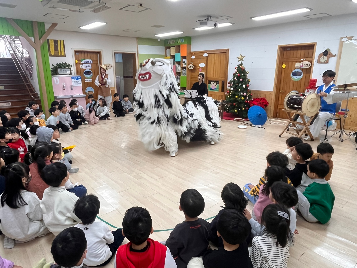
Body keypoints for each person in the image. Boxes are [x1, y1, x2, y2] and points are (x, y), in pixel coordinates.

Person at [0, 163, 49, 249]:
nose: (30, 175)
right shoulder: (29, 197)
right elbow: (38, 217)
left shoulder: (1, 197)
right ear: (23, 179)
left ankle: (11, 237)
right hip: (25, 233)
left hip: (6, 231)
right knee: (50, 222)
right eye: (28, 173)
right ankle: (21, 239)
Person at [74, 195, 124, 266]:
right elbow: (111, 240)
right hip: (103, 260)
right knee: (119, 232)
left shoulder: (75, 229)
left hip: (85, 261)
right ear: (97, 212)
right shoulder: (101, 225)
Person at [166, 189, 210, 268]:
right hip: (204, 258)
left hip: (184, 263)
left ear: (180, 208)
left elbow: (170, 249)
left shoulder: (178, 231)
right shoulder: (205, 225)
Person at [40, 162, 80, 235]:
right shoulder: (69, 197)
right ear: (65, 178)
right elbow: (80, 217)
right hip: (67, 231)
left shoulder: (46, 191)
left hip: (52, 228)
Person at [296, 159, 335, 224]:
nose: (307, 171)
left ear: (314, 174)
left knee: (296, 193)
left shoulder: (314, 186)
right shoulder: (327, 185)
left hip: (312, 215)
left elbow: (305, 198)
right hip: (324, 215)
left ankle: (291, 213)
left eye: (308, 170)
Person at [209, 182, 248, 247]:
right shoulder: (245, 213)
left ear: (225, 201)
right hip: (243, 242)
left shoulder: (222, 214)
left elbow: (212, 229)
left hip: (225, 243)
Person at [309, 70, 337, 139]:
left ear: (332, 78)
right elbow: (315, 97)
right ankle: (308, 132)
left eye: (326, 77)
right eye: (323, 76)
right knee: (308, 114)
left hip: (329, 111)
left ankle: (313, 135)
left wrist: (326, 95)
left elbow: (333, 97)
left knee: (320, 117)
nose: (324, 78)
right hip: (319, 109)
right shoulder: (319, 87)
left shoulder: (334, 88)